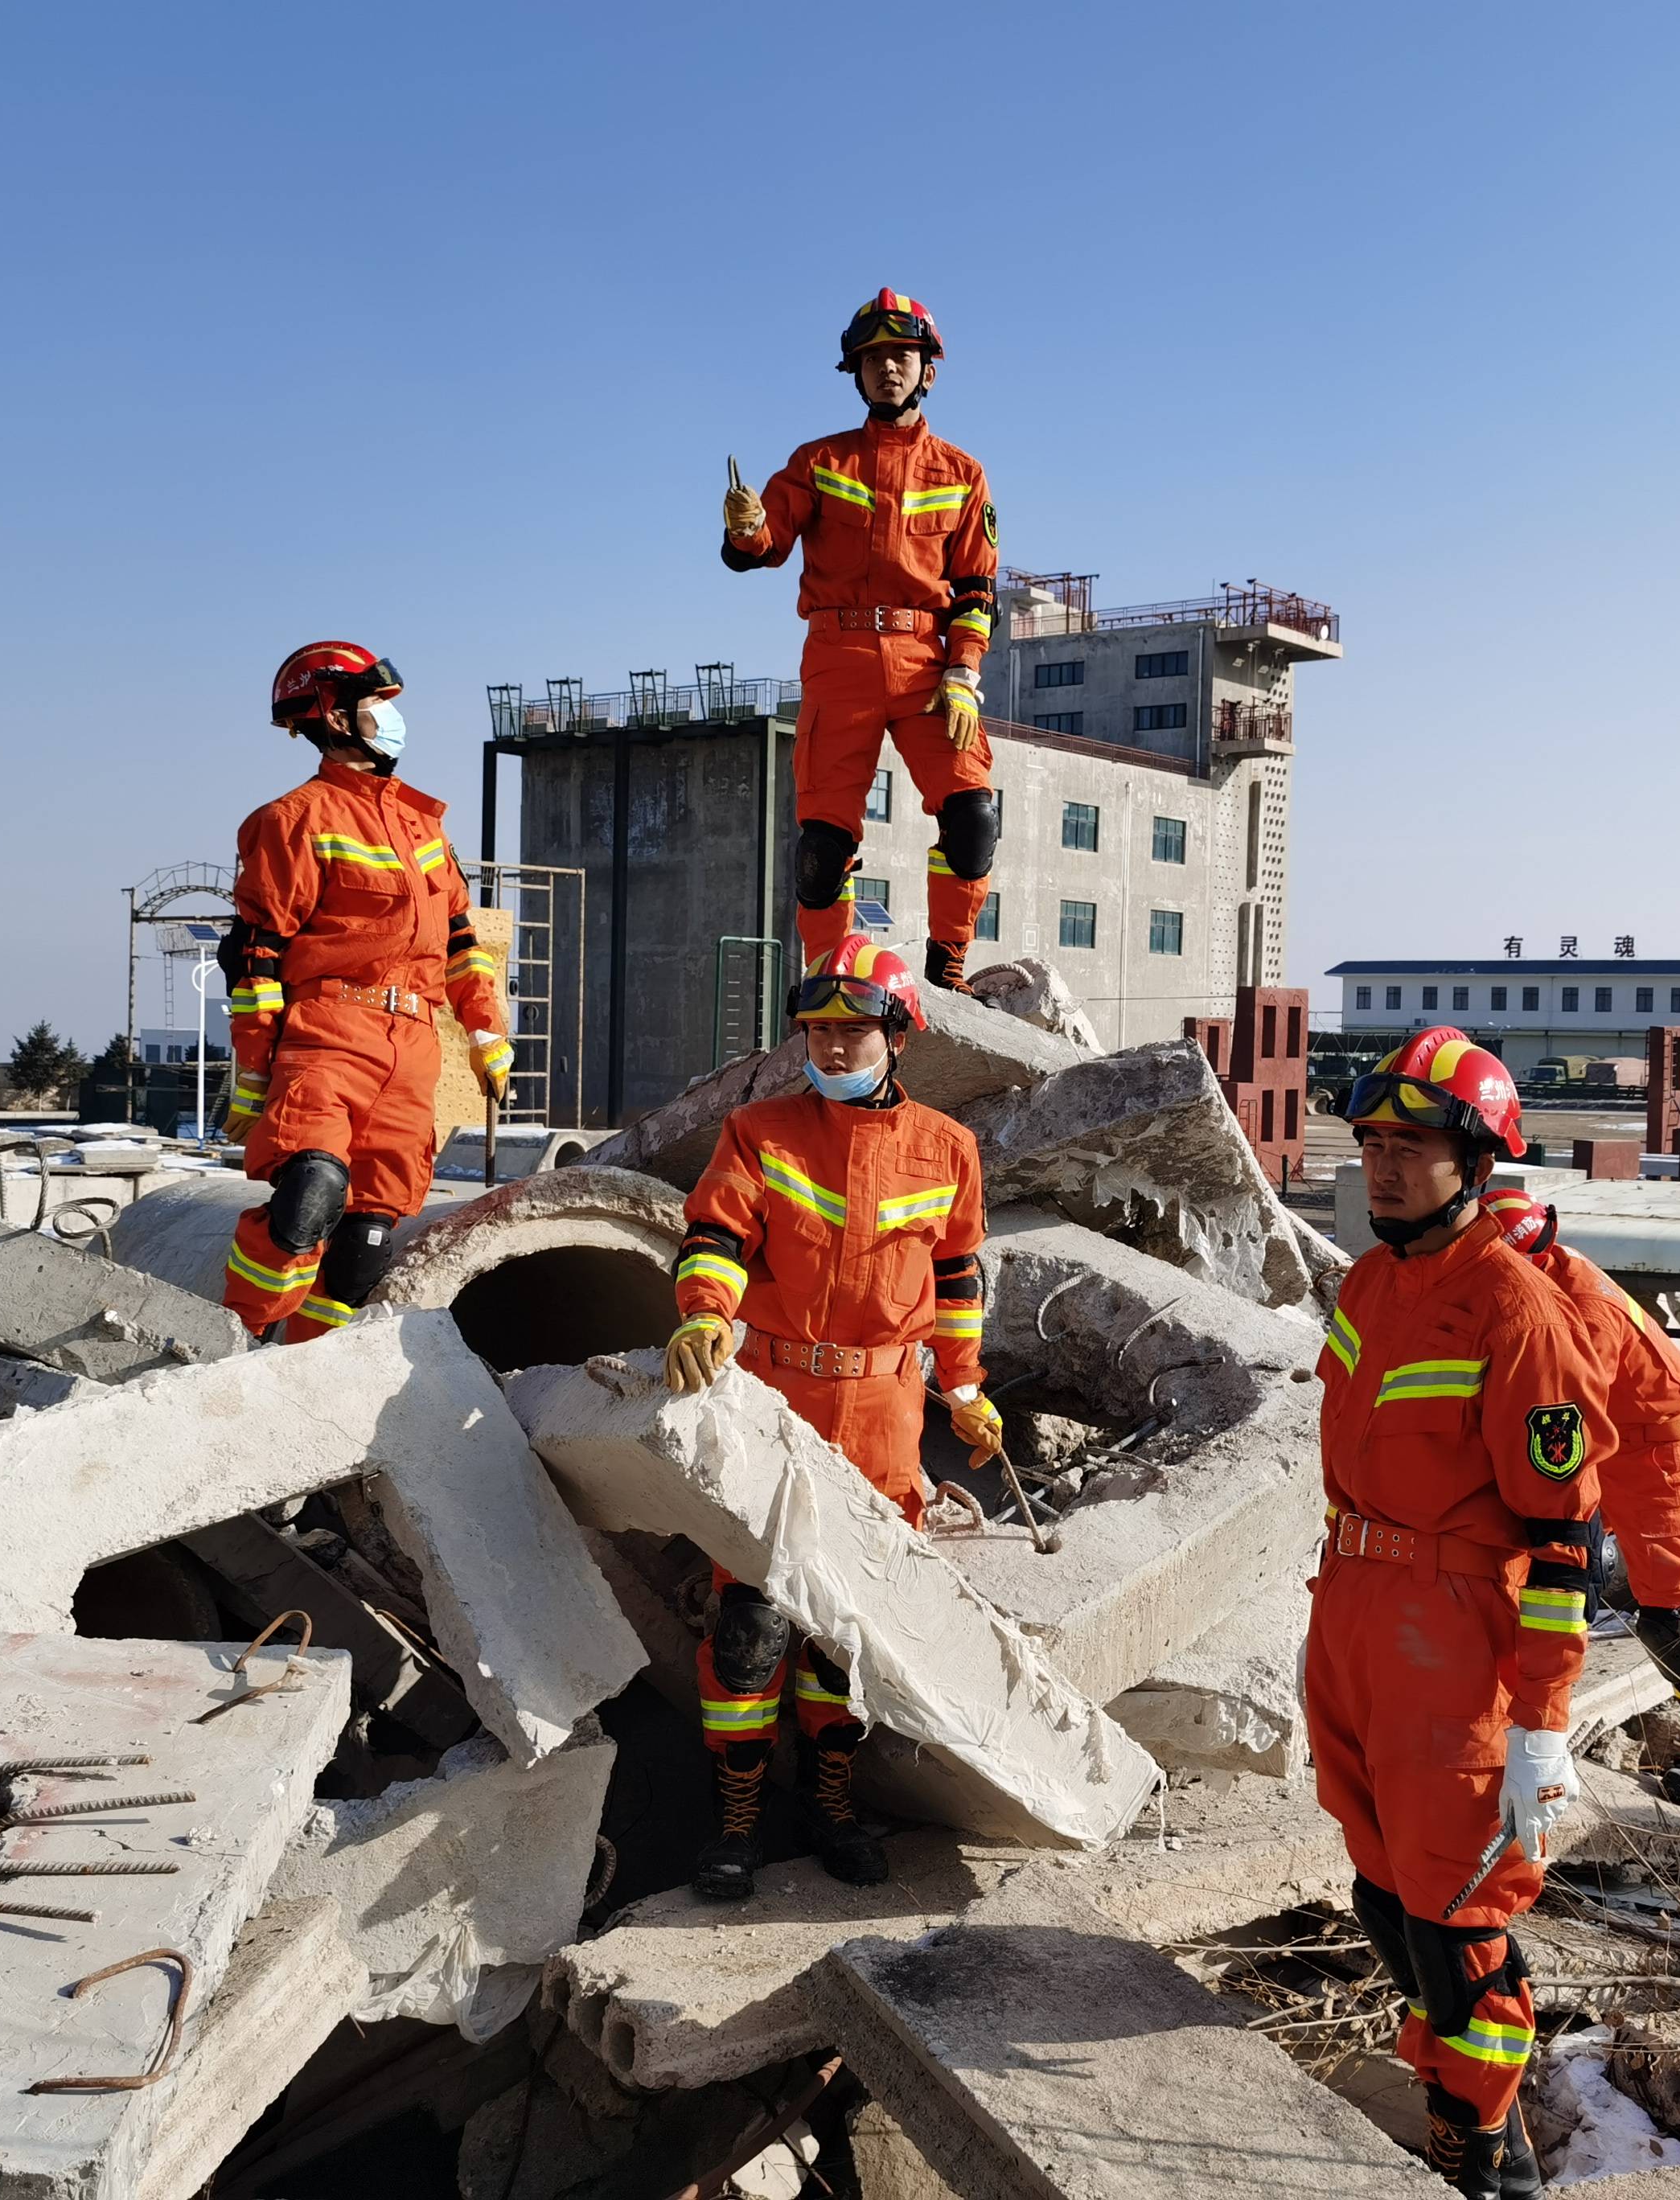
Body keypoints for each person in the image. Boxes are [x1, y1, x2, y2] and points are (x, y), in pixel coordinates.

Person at [1308, 1030, 1614, 2197]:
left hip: (1451, 1645)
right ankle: (1478, 2113)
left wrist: (1540, 1723)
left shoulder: (1518, 1311)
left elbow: (1563, 1541)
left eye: (1414, 1147)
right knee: (1383, 1896)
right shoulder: (1370, 1281)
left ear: (1475, 1157)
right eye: (1373, 1143)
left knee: (1452, 1915)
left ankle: (1483, 2159)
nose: (1383, 1168)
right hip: (1353, 1617)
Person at [659, 936, 1006, 1899]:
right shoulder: (761, 1131)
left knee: (847, 1635)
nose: (835, 1046)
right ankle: (734, 1819)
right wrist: (703, 1316)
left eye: (855, 1029)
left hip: (889, 1416)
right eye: (819, 1029)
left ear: (899, 1035)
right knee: (750, 1627)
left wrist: (968, 1391)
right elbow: (718, 1233)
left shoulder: (949, 1150)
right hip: (779, 1405)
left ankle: (833, 1803)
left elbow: (957, 1277)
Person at [216, 641, 514, 1341]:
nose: (392, 716)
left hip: (412, 1051)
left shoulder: (423, 827)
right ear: (337, 718)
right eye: (377, 703)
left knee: (366, 1245)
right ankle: (231, 1341)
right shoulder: (294, 820)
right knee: (308, 1198)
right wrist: (254, 1075)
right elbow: (256, 959)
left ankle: (309, 1374)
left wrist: (488, 1034)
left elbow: (462, 946)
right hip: (331, 1034)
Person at [719, 289, 1002, 993]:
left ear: (927, 369)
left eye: (901, 356)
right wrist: (745, 526)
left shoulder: (963, 474)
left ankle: (947, 968)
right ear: (855, 372)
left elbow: (976, 591)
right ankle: (829, 977)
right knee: (823, 845)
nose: (887, 370)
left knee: (973, 818)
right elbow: (766, 545)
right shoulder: (819, 462)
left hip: (927, 668)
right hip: (838, 658)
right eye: (872, 359)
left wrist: (963, 672)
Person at [1482, 1187, 1680, 1810]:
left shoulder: (1582, 1309)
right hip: (1619, 1429)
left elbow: (1565, 1416)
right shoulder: (1544, 1277)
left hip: (1658, 1448)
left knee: (1673, 1612)